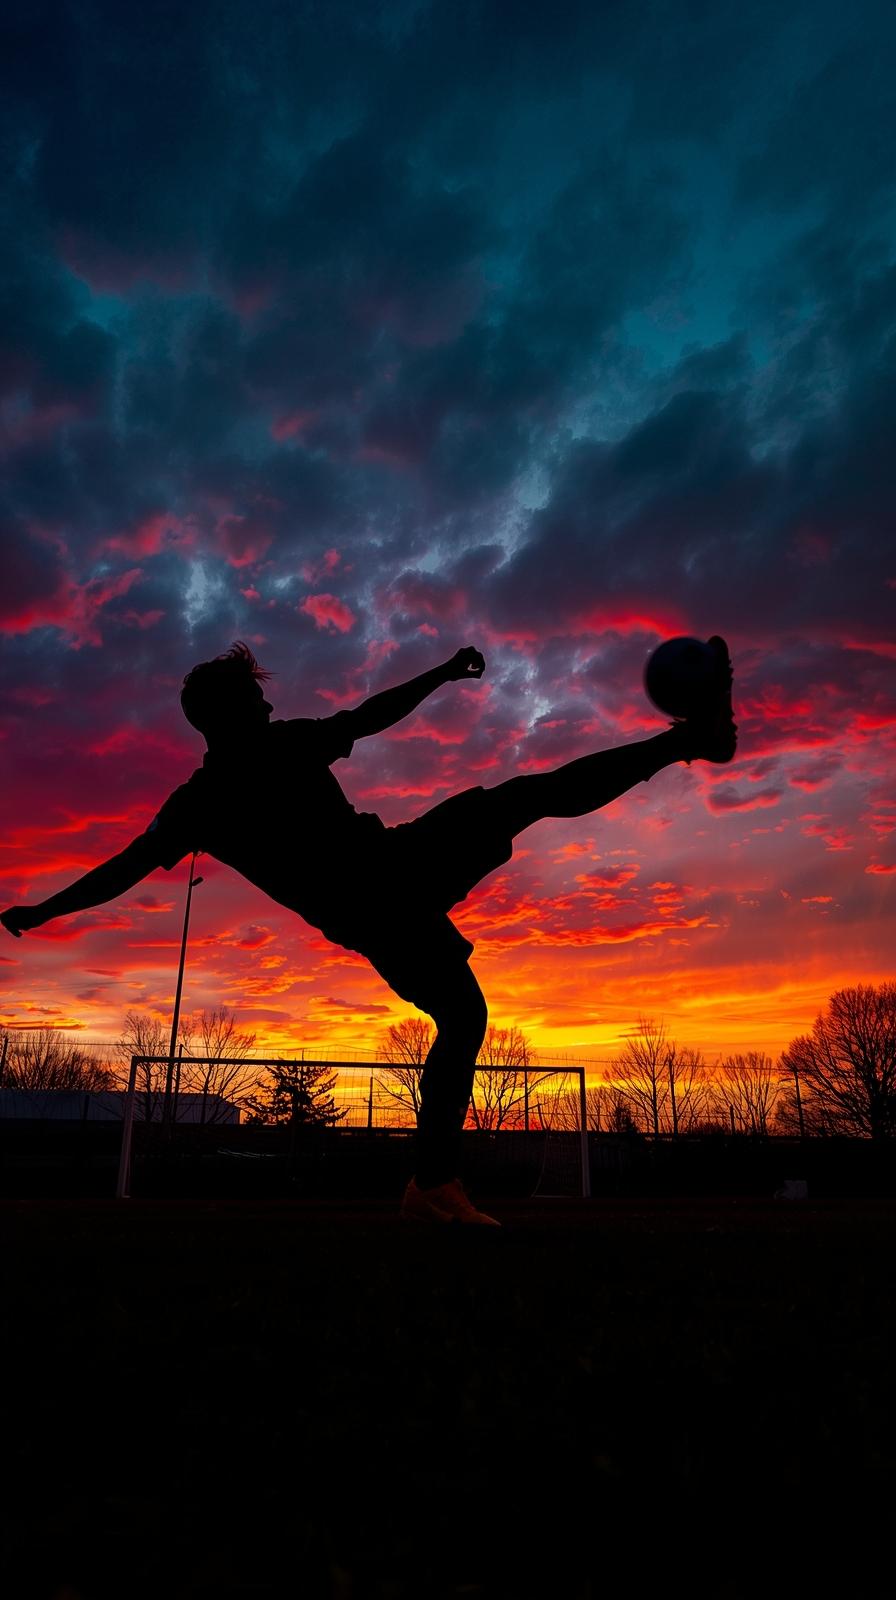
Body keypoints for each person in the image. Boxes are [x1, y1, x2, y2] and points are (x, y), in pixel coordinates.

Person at [1, 638, 736, 1225]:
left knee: (500, 880)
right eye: (255, 696)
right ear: (228, 712)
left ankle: (433, 1186)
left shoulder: (231, 779)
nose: (268, 701)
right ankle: (432, 1186)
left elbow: (127, 864)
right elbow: (127, 865)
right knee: (515, 831)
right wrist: (45, 910)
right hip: (386, 892)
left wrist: (44, 912)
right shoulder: (231, 779)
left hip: (384, 889)